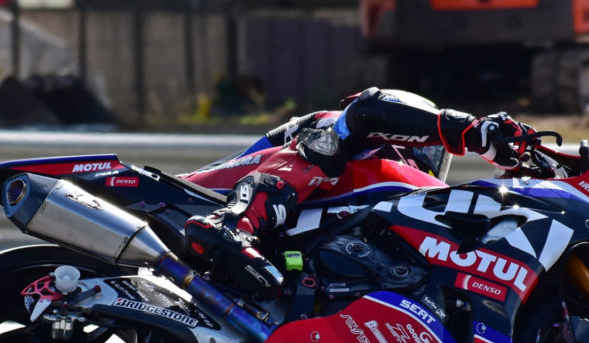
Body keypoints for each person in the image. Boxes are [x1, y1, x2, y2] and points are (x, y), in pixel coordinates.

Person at [183, 87, 536, 300]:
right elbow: (369, 112)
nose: (428, 164)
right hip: (200, 195)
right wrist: (468, 131)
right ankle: (233, 222)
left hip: (273, 236)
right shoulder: (341, 125)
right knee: (327, 146)